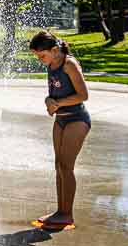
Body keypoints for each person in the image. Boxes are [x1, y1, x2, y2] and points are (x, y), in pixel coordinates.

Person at [29, 30, 90, 231]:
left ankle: (67, 214)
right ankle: (60, 211)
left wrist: (58, 103)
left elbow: (83, 95)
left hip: (77, 119)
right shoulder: (52, 64)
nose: (40, 60)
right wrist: (49, 101)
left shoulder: (69, 64)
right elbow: (54, 93)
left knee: (66, 166)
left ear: (55, 50)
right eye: (37, 56)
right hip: (61, 120)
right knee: (58, 166)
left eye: (42, 55)